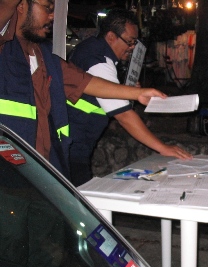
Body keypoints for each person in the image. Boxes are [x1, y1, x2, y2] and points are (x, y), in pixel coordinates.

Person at [0, 0, 168, 178]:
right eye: (47, 8)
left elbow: (85, 82)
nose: (52, 16)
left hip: (44, 164)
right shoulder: (5, 49)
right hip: (8, 168)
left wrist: (138, 93)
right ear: (21, 5)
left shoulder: (46, 56)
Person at [67, 8, 192, 186]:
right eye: (130, 42)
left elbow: (104, 92)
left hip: (76, 144)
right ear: (111, 37)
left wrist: (127, 90)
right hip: (72, 146)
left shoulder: (93, 51)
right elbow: (124, 116)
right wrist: (162, 148)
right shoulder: (98, 61)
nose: (132, 48)